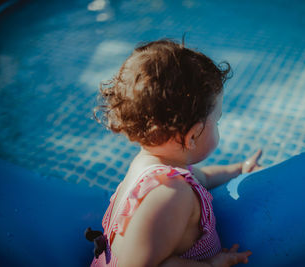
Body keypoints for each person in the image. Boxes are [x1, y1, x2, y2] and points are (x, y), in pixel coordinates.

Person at [88, 38, 263, 266]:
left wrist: (239, 169)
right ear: (192, 136)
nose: (219, 126)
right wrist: (211, 264)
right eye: (217, 121)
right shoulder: (172, 194)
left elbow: (205, 176)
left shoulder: (149, 166)